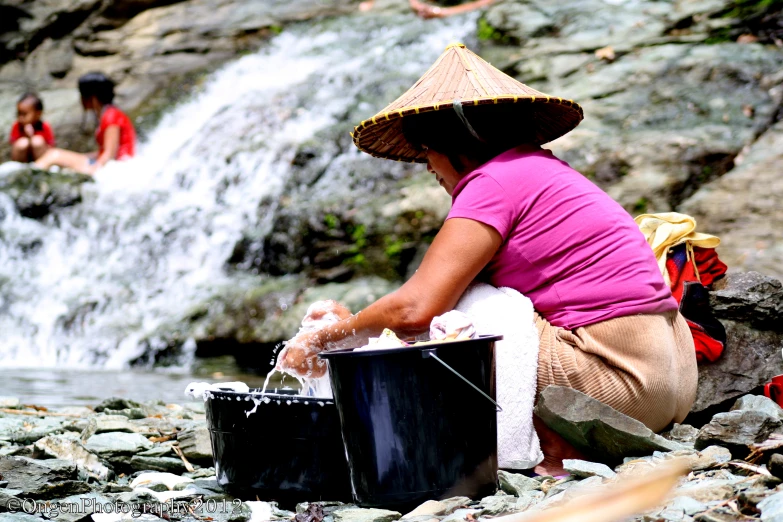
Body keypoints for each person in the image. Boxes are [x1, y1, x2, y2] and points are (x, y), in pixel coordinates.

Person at [278, 44, 698, 475]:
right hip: (672, 381)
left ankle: (532, 448)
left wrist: (324, 340)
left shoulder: (494, 182)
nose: (428, 168)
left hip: (615, 382)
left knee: (474, 304)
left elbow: (415, 310)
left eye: (426, 152)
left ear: (454, 142)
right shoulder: (541, 171)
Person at [35, 72, 136, 174]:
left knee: (54, 155)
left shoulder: (111, 116)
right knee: (55, 155)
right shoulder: (108, 114)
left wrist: (93, 171)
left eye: (82, 95)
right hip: (112, 165)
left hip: (118, 168)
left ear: (92, 97)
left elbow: (109, 154)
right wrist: (83, 157)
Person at [9, 93, 56, 162]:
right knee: (22, 143)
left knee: (37, 141)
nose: (20, 117)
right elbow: (13, 144)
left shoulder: (44, 126)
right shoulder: (17, 126)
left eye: (24, 114)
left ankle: (41, 166)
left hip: (40, 158)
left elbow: (51, 146)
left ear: (38, 114)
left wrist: (32, 137)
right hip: (23, 158)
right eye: (19, 113)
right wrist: (26, 137)